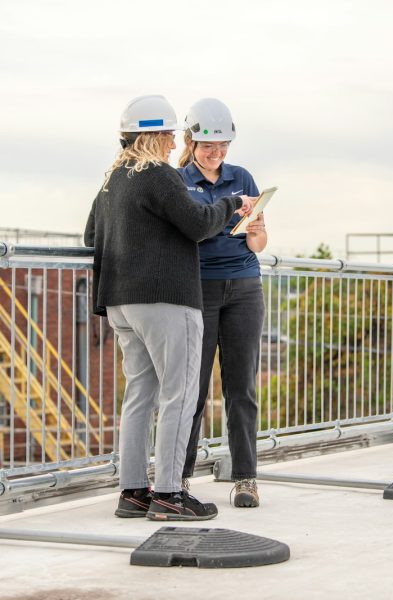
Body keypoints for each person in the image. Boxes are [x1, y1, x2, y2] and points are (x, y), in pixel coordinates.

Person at [83, 95, 254, 521]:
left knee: (139, 396)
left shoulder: (112, 179)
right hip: (165, 300)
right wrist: (232, 205)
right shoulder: (160, 175)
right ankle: (168, 495)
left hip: (120, 303)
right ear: (156, 136)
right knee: (179, 395)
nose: (174, 139)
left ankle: (133, 492)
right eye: (171, 133)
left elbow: (91, 235)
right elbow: (198, 226)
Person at [177, 98, 267, 508]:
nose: (217, 154)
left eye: (223, 146)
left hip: (245, 287)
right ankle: (178, 477)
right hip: (200, 289)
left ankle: (246, 478)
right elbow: (189, 234)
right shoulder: (178, 181)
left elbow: (259, 245)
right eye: (209, 147)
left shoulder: (242, 176)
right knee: (192, 390)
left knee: (241, 388)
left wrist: (257, 227)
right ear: (191, 141)